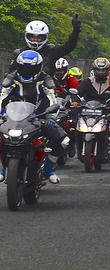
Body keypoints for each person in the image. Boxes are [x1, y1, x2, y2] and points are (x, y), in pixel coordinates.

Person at [0, 51, 70, 183]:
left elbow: (52, 99)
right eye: (24, 67)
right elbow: (2, 96)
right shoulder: (11, 78)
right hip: (13, 117)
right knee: (2, 138)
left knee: (62, 140)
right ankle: (3, 168)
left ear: (38, 67)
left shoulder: (46, 79)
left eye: (30, 68)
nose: (27, 71)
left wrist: (51, 116)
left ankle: (49, 169)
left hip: (39, 116)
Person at [11, 16, 81, 77]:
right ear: (27, 36)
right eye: (33, 37)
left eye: (39, 38)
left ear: (45, 37)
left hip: (46, 89)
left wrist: (76, 31)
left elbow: (69, 46)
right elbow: (10, 74)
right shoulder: (19, 53)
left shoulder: (51, 52)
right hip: (21, 89)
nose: (36, 40)